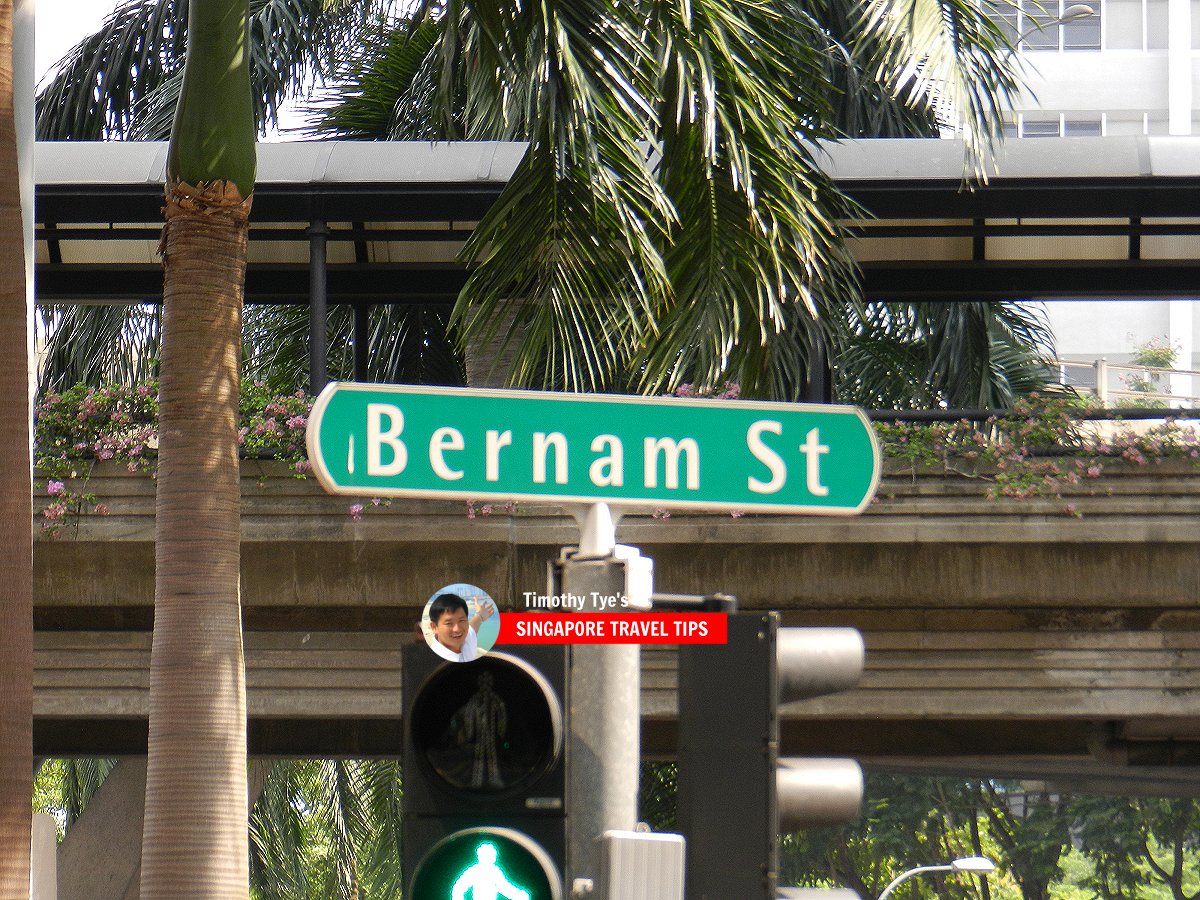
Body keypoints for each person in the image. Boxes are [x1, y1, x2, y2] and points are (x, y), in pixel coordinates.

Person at [426, 592, 495, 662]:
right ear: (434, 627)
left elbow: (473, 625)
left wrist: (480, 615)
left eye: (461, 620)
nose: (457, 629)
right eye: (449, 623)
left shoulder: (467, 638)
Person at [450, 841, 529, 900]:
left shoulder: (494, 871)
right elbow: (458, 889)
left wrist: (519, 895)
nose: (492, 858)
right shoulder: (474, 871)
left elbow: (504, 887)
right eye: (489, 856)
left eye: (492, 856)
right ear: (481, 856)